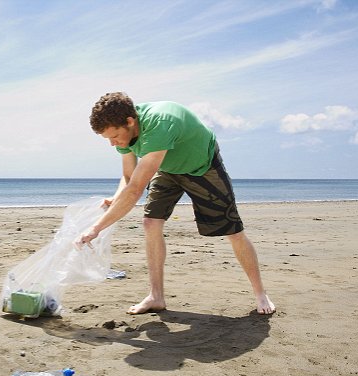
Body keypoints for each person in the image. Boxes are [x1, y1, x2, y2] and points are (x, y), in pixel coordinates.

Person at [76, 92, 275, 315]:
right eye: (108, 139)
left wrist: (95, 229)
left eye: (114, 137)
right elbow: (129, 178)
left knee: (233, 232)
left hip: (202, 167)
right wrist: (116, 197)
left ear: (130, 122)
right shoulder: (124, 131)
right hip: (167, 168)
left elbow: (134, 191)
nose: (113, 144)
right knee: (151, 223)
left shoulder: (159, 124)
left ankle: (261, 294)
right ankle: (156, 297)